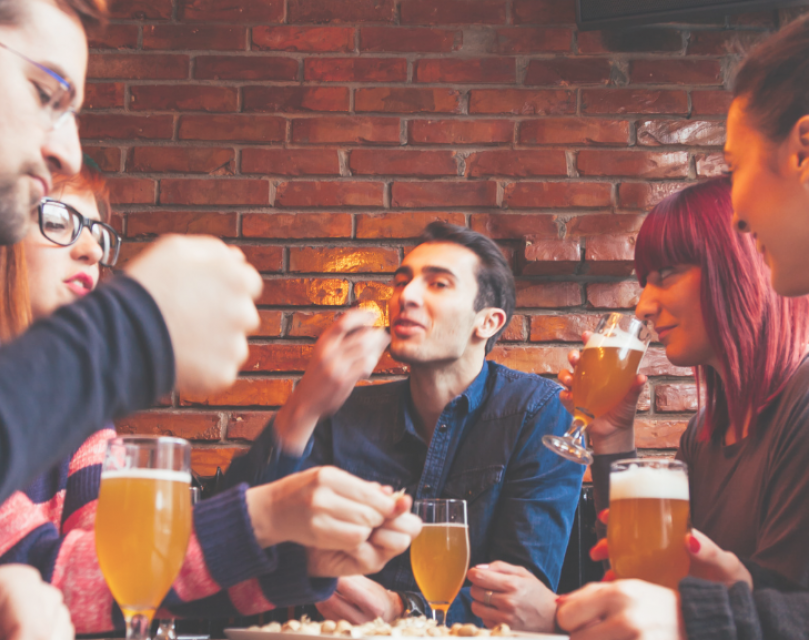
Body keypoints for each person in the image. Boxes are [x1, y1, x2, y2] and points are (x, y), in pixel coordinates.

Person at [0, 164, 422, 633]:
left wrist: (302, 558)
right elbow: (38, 575)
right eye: (58, 222)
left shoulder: (81, 422)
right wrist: (264, 518)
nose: (93, 249)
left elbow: (117, 578)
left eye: (100, 233)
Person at [226, 223, 585, 630]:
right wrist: (304, 404)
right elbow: (234, 539)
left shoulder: (539, 411)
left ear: (487, 322)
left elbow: (519, 596)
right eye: (401, 282)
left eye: (438, 284)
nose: (405, 296)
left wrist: (402, 609)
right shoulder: (345, 410)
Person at [0, 0, 264, 507]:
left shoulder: (78, 418)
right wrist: (133, 329)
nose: (69, 152)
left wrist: (270, 522)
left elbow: (73, 568)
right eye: (44, 93)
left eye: (100, 237)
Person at [555, 179, 809, 638]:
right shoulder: (704, 433)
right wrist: (613, 438)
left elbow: (791, 610)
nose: (644, 305)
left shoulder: (802, 405)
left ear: (741, 265)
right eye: (644, 282)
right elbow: (641, 582)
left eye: (666, 273)